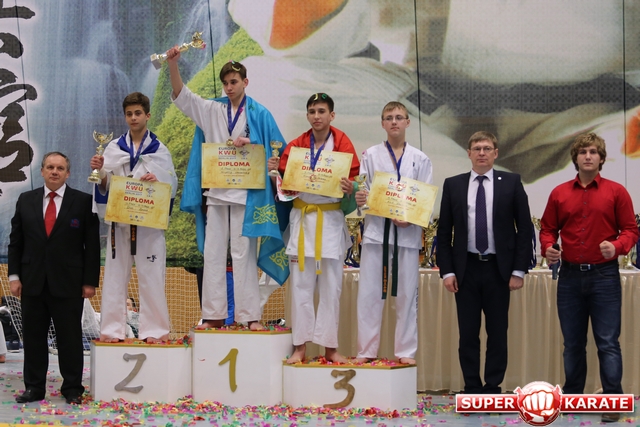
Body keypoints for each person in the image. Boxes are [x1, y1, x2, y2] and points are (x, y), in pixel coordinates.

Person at [166, 50, 289, 331]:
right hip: (217, 195)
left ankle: (249, 316)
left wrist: (255, 146)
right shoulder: (212, 110)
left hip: (248, 196)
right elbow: (183, 96)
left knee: (244, 254)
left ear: (245, 82)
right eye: (226, 83)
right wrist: (172, 64)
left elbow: (279, 153)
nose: (229, 87)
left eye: (234, 82)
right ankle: (213, 315)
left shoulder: (260, 114)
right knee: (213, 253)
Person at [540, 133, 638, 424]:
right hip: (569, 276)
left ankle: (612, 401)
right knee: (572, 344)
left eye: (593, 151)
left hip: (604, 277)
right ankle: (572, 398)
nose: (588, 156)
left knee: (607, 342)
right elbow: (547, 229)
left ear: (601, 158)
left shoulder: (617, 192)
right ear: (575, 158)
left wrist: (617, 247)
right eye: (582, 151)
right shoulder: (559, 193)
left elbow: (631, 230)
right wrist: (548, 247)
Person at [436, 131, 532, 394]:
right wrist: (447, 271)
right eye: (476, 148)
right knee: (468, 333)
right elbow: (444, 232)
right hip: (465, 269)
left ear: (495, 153)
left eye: (487, 148)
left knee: (497, 332)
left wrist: (519, 270)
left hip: (499, 270)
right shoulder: (453, 185)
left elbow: (524, 229)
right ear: (468, 153)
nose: (482, 153)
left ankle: (492, 386)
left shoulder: (511, 182)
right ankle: (471, 387)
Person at [272, 93, 359, 363]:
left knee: (332, 288)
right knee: (301, 287)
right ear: (307, 115)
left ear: (332, 115)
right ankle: (300, 346)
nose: (316, 116)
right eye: (312, 111)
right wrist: (276, 173)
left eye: (321, 111)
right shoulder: (297, 145)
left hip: (330, 220)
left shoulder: (342, 143)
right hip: (302, 219)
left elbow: (356, 181)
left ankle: (330, 347)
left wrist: (351, 187)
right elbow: (285, 184)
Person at [8, 152, 100, 404]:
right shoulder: (26, 200)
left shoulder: (83, 202)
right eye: (50, 167)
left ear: (68, 173)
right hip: (32, 282)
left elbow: (91, 246)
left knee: (70, 339)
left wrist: (90, 281)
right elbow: (16, 242)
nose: (54, 172)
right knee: (33, 338)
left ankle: (72, 389)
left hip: (69, 283)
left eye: (60, 168)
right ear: (42, 171)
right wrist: (14, 276)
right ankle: (34, 388)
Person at [90, 92, 177, 343]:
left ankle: (155, 331)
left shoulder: (159, 149)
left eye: (138, 113)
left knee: (152, 276)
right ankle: (111, 330)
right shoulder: (114, 148)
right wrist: (100, 171)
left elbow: (171, 184)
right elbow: (105, 185)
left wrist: (157, 180)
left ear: (147, 115)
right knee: (115, 276)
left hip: (148, 223)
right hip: (120, 221)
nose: (133, 118)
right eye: (129, 114)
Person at [354, 101, 433, 365]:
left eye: (399, 117)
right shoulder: (370, 155)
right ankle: (366, 350)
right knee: (369, 294)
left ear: (408, 122)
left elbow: (425, 199)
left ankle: (406, 352)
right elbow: (363, 193)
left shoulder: (421, 159)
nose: (394, 122)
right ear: (382, 123)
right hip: (377, 232)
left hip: (407, 235)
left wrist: (410, 217)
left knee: (407, 295)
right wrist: (361, 199)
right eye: (389, 118)